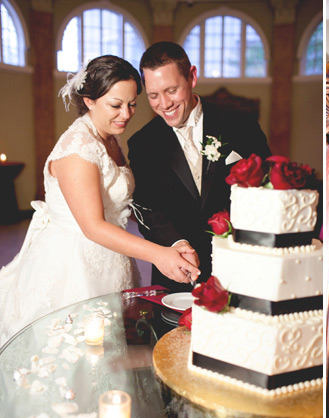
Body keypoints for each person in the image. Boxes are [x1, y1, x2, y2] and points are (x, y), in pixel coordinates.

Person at [0, 55, 199, 346]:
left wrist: (174, 240)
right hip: (74, 264)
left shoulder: (109, 137)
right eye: (116, 105)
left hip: (111, 256)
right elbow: (93, 226)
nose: (126, 114)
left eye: (132, 103)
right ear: (90, 100)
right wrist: (159, 254)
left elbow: (123, 206)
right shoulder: (78, 148)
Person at [128, 42, 271, 292]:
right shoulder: (142, 143)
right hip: (178, 274)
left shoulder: (242, 124)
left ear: (192, 77)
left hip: (242, 266)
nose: (164, 104)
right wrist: (177, 244)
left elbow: (267, 187)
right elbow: (148, 208)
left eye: (171, 90)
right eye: (153, 95)